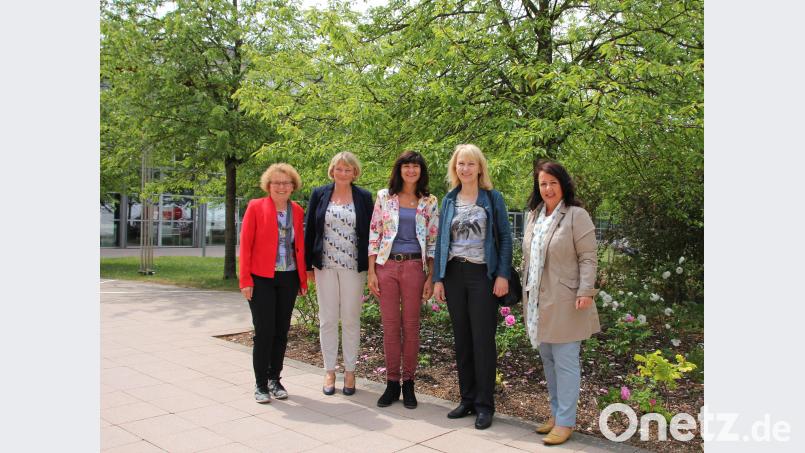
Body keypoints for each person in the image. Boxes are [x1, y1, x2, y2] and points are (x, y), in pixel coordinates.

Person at [432, 143, 512, 430]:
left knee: (483, 340)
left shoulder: (493, 198)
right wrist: (438, 279)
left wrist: (502, 274)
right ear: (455, 168)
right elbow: (442, 241)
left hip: (482, 275)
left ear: (480, 168)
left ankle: (484, 405)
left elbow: (504, 237)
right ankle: (466, 399)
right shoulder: (449, 200)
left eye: (470, 164)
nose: (465, 168)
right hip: (454, 274)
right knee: (462, 338)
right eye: (460, 164)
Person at [521, 159, 600, 445]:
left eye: (553, 183)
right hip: (538, 302)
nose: (547, 188)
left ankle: (566, 422)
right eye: (543, 183)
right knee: (549, 361)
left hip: (567, 300)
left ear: (563, 184)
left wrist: (585, 291)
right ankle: (556, 414)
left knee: (565, 362)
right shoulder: (534, 215)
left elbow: (588, 258)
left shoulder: (577, 216)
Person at [367, 151, 439, 409]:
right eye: (406, 166)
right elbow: (374, 233)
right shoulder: (384, 197)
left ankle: (408, 383)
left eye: (415, 167)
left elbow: (432, 241)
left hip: (414, 268)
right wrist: (372, 271)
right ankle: (391, 382)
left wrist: (431, 276)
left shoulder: (429, 201)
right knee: (389, 325)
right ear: (399, 169)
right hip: (386, 266)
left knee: (411, 326)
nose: (411, 171)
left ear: (421, 171)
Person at [304, 151, 373, 396]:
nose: (343, 173)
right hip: (324, 267)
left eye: (348, 169)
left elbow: (371, 233)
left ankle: (351, 371)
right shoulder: (319, 194)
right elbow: (310, 229)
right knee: (328, 319)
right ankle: (330, 370)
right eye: (339, 168)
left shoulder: (364, 197)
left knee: (352, 319)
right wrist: (306, 266)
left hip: (354, 267)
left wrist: (373, 267)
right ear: (332, 170)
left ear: (355, 173)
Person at [239, 163, 308, 403]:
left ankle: (274, 379)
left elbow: (299, 246)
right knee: (264, 332)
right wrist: (245, 280)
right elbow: (246, 244)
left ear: (293, 187)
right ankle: (260, 385)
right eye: (276, 183)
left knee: (281, 331)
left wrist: (303, 278)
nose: (281, 187)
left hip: (288, 276)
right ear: (268, 186)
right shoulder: (256, 207)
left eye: (286, 183)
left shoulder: (297, 210)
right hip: (261, 278)